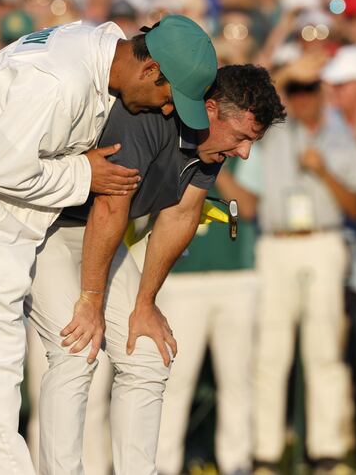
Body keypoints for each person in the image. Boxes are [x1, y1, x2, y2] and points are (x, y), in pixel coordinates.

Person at [0, 14, 217, 474]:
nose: (168, 112)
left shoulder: (88, 49)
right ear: (150, 70)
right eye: (170, 98)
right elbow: (3, 171)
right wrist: (85, 174)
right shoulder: (60, 78)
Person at [26, 64, 285, 475]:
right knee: (75, 351)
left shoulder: (210, 146)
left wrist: (145, 303)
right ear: (211, 109)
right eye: (241, 138)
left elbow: (182, 215)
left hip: (101, 239)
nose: (244, 153)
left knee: (149, 354)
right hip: (46, 229)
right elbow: (110, 207)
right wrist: (91, 301)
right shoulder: (147, 118)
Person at [240, 58, 356, 475]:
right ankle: (266, 454)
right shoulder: (272, 135)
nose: (303, 98)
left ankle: (326, 451)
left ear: (321, 95)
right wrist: (289, 75)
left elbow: (355, 206)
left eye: (310, 91)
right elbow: (260, 95)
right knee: (270, 353)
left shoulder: (342, 139)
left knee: (323, 350)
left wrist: (323, 171)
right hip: (276, 244)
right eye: (296, 91)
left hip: (324, 240)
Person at [155, 155, 259, 475]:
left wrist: (218, 171)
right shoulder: (175, 155)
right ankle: (162, 465)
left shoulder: (243, 155)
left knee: (237, 379)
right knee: (173, 382)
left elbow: (249, 208)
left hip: (237, 280)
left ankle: (236, 463)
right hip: (181, 280)